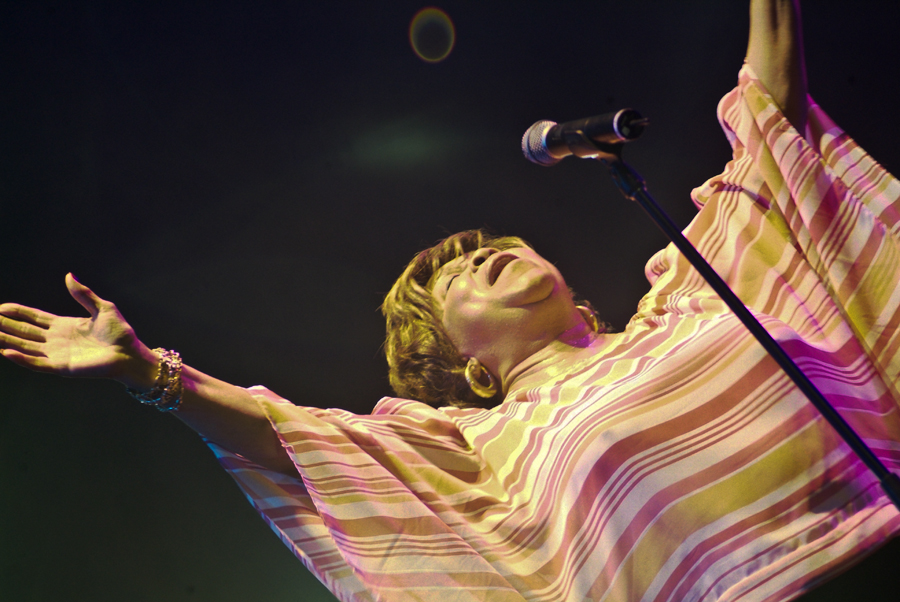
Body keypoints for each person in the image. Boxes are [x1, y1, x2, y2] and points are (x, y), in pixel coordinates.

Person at [2, 1, 899, 600]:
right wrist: (155, 375)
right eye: (453, 277)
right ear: (468, 366)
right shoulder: (479, 446)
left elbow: (769, 133)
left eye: (486, 248)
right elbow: (297, 438)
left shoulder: (692, 301)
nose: (484, 255)